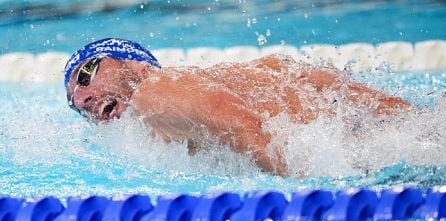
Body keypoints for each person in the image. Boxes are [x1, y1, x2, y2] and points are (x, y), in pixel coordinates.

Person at [65, 38, 410, 177]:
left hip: (348, 151)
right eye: (74, 106)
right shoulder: (208, 80)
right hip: (346, 116)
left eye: (85, 75)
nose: (82, 100)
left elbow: (239, 122)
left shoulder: (154, 94)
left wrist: (303, 189)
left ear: (130, 61)